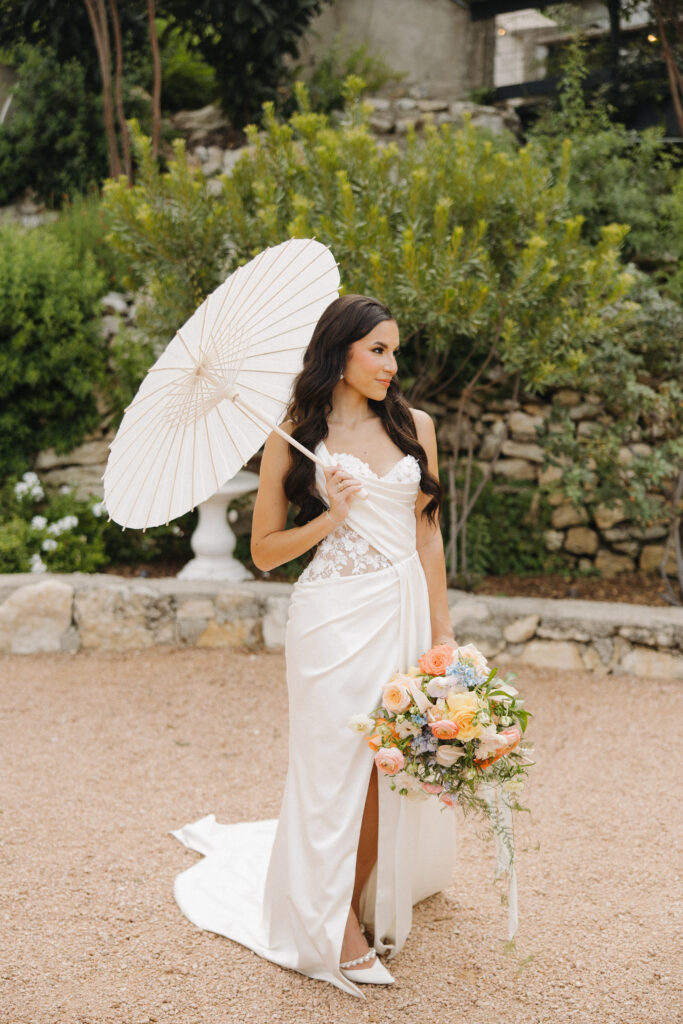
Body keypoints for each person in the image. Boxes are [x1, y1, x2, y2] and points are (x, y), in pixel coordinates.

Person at [171, 294, 458, 998]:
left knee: (383, 770)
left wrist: (442, 631)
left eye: (395, 351)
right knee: (332, 769)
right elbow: (265, 552)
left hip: (402, 613)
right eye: (378, 351)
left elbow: (426, 536)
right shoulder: (292, 435)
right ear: (340, 354)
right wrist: (331, 516)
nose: (392, 365)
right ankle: (329, 931)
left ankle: (348, 907)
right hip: (330, 618)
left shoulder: (415, 425)